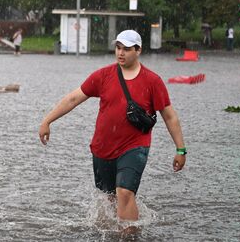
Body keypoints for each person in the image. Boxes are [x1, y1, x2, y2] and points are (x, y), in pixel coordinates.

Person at [38, 29, 186, 223]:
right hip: (103, 147)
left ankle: (129, 235)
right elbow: (74, 98)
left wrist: (180, 149)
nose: (120, 53)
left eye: (126, 49)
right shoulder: (104, 75)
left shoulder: (152, 81)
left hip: (134, 146)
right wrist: (47, 120)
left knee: (124, 192)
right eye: (118, 48)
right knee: (108, 199)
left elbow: (169, 116)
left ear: (138, 50)